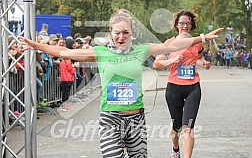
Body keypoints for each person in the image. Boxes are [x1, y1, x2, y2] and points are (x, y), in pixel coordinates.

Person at [19, 9, 223, 158]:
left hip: (136, 119)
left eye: (126, 32)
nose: (121, 36)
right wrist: (38, 46)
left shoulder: (141, 50)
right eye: (117, 32)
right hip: (110, 119)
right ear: (111, 33)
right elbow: (65, 52)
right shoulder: (101, 52)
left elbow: (172, 45)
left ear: (131, 33)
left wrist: (202, 37)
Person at [153, 10, 214, 158]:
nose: (185, 26)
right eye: (182, 23)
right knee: (177, 127)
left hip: (193, 87)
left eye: (188, 23)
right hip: (174, 88)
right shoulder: (170, 43)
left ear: (192, 25)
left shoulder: (197, 43)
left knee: (188, 127)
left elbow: (196, 59)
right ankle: (175, 149)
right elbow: (156, 64)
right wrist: (171, 61)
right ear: (176, 25)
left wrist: (203, 63)